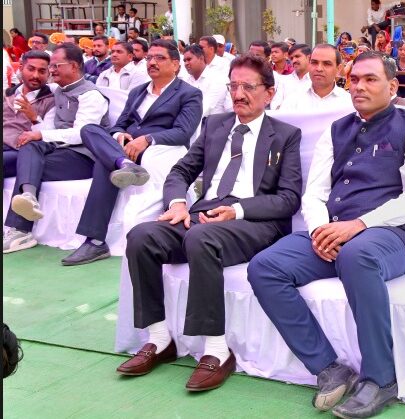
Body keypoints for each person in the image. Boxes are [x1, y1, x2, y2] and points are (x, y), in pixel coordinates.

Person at [248, 50, 405, 418]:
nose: (359, 87)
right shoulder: (336, 130)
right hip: (334, 230)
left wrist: (359, 225)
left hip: (390, 235)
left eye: (370, 79)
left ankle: (381, 378)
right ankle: (329, 368)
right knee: (265, 267)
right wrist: (320, 231)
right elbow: (315, 192)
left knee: (356, 254)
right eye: (354, 80)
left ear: (393, 87)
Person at [116, 54, 302, 391]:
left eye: (248, 87)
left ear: (269, 93)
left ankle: (216, 350)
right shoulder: (215, 125)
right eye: (234, 86)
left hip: (254, 221)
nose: (239, 94)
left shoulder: (285, 135)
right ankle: (159, 338)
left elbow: (289, 199)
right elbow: (181, 171)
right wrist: (177, 203)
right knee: (141, 236)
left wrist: (238, 210)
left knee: (201, 238)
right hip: (204, 215)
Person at [58, 39, 202, 266]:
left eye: (159, 58)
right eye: (149, 58)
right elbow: (119, 124)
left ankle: (95, 241)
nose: (152, 62)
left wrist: (147, 139)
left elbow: (183, 132)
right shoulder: (138, 91)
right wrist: (119, 135)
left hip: (158, 149)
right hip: (126, 148)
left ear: (175, 64)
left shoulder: (189, 93)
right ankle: (124, 164)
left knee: (104, 163)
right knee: (89, 129)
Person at [3, 44, 109, 254]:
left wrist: (40, 134)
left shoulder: (91, 96)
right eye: (50, 67)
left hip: (83, 157)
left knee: (29, 158)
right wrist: (36, 125)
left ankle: (20, 230)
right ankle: (28, 198)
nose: (51, 71)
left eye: (55, 66)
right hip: (58, 152)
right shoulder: (58, 91)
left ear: (74, 66)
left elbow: (82, 134)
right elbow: (48, 129)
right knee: (29, 147)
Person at [3, 51, 56, 180]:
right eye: (31, 69)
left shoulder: (51, 101)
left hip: (22, 152)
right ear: (21, 68)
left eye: (42, 71)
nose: (35, 75)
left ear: (48, 73)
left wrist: (34, 118)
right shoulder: (8, 94)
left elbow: (49, 135)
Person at [279, 44, 352, 112]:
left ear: (338, 69)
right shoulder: (293, 99)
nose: (319, 69)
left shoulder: (348, 103)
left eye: (327, 64)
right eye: (314, 62)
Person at [180, 43, 232, 140]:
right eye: (184, 60)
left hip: (214, 130)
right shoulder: (186, 80)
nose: (186, 63)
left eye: (189, 59)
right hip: (189, 128)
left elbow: (203, 109)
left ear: (201, 58)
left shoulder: (217, 78)